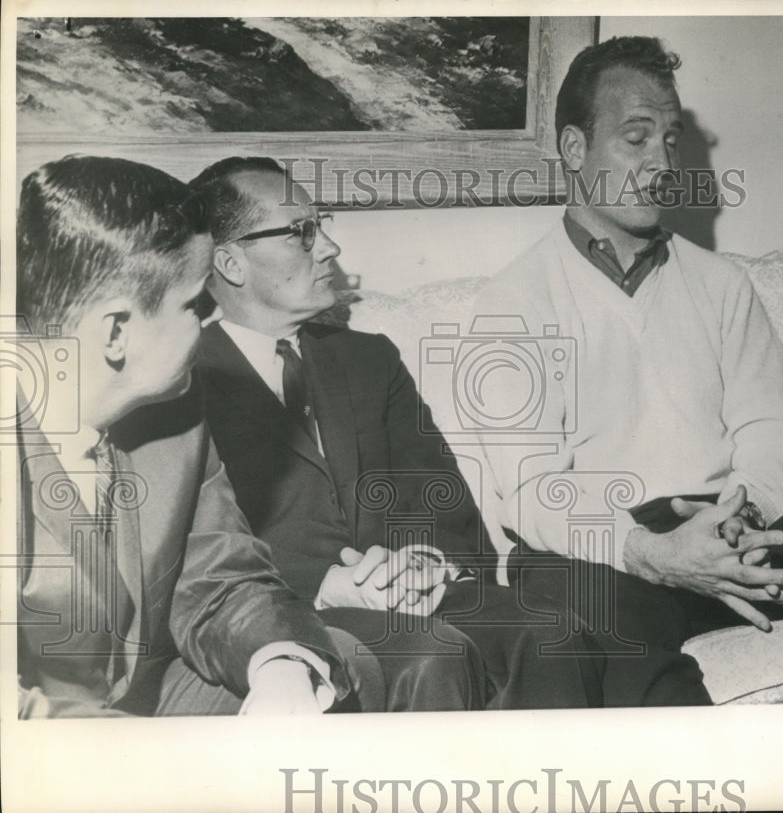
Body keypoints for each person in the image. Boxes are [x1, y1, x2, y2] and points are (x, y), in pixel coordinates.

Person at [15, 155, 485, 718]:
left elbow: (221, 581)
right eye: (190, 306)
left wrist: (280, 663)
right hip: (38, 736)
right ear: (116, 331)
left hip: (144, 697)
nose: (205, 326)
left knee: (342, 662)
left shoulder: (174, 422)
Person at [472, 36, 783, 706]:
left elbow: (774, 432)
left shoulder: (721, 284)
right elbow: (531, 490)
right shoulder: (513, 302)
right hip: (608, 550)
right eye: (636, 138)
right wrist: (653, 552)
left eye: (670, 140)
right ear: (573, 148)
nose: (662, 163)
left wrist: (743, 511)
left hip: (731, 520)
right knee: (574, 618)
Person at [188, 156, 604, 710]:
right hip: (285, 612)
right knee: (432, 654)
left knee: (552, 631)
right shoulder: (186, 378)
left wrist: (427, 564)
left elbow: (442, 500)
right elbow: (196, 551)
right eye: (301, 232)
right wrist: (326, 584)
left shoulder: (367, 359)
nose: (329, 248)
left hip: (416, 597)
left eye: (321, 226)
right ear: (230, 262)